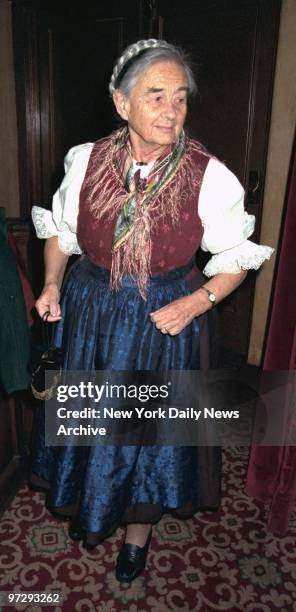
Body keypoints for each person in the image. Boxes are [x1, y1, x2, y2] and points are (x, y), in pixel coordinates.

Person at [30, 38, 273, 582]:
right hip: (90, 313)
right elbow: (62, 234)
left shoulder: (209, 175)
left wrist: (197, 301)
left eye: (181, 98)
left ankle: (136, 534)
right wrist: (50, 285)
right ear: (122, 103)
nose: (171, 111)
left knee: (147, 435)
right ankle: (88, 501)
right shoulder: (86, 159)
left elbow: (236, 258)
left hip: (162, 322)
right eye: (156, 95)